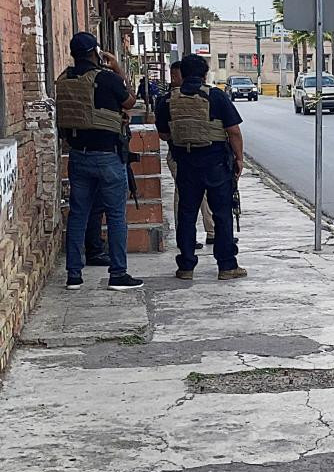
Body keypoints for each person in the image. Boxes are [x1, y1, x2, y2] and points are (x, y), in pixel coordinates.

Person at [57, 32, 144, 290]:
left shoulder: (63, 80)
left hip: (77, 156)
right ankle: (118, 274)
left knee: (78, 215)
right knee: (116, 216)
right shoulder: (106, 78)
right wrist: (117, 68)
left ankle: (74, 275)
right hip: (107, 157)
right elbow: (130, 101)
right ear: (96, 52)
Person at [155, 54, 246, 281]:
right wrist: (239, 159)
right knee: (222, 214)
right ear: (205, 75)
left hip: (186, 164)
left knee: (186, 214)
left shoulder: (167, 100)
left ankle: (186, 266)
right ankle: (226, 266)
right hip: (216, 164)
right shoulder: (216, 96)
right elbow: (233, 131)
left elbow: (164, 133)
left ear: (181, 75)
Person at [157, 61, 215, 249]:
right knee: (183, 196)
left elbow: (163, 133)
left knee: (201, 193)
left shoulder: (168, 100)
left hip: (186, 153)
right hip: (181, 155)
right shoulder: (169, 100)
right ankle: (187, 237)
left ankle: (211, 231)